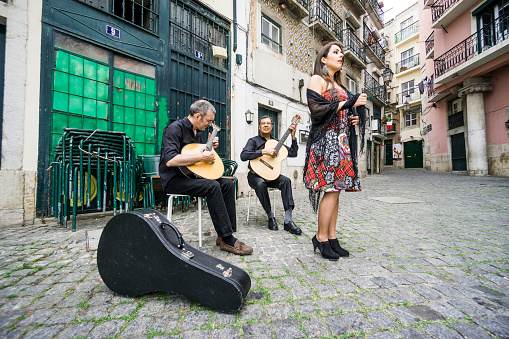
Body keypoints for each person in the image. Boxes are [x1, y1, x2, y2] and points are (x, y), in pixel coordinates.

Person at [159, 100, 253, 255]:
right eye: (208, 121)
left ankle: (224, 233)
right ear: (197, 116)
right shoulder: (174, 129)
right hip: (174, 180)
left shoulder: (199, 133)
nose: (210, 124)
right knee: (212, 186)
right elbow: (170, 160)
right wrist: (202, 157)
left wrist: (209, 148)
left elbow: (196, 161)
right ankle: (227, 239)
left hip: (191, 177)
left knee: (228, 184)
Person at [304, 42, 367, 260]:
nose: (341, 56)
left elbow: (343, 109)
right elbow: (316, 109)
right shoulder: (317, 80)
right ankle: (320, 237)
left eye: (341, 53)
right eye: (335, 52)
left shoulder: (341, 86)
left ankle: (331, 237)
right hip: (326, 142)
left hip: (341, 141)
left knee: (336, 191)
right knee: (330, 190)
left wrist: (354, 117)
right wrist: (349, 102)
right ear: (323, 58)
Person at [240, 115, 302, 235]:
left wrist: (293, 136)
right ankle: (270, 216)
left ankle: (288, 220)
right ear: (259, 126)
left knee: (286, 181)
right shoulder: (253, 141)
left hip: (271, 176)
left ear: (272, 126)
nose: (266, 125)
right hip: (255, 176)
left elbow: (293, 153)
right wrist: (263, 151)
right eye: (263, 123)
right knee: (260, 183)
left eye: (268, 123)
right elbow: (243, 155)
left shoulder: (277, 142)